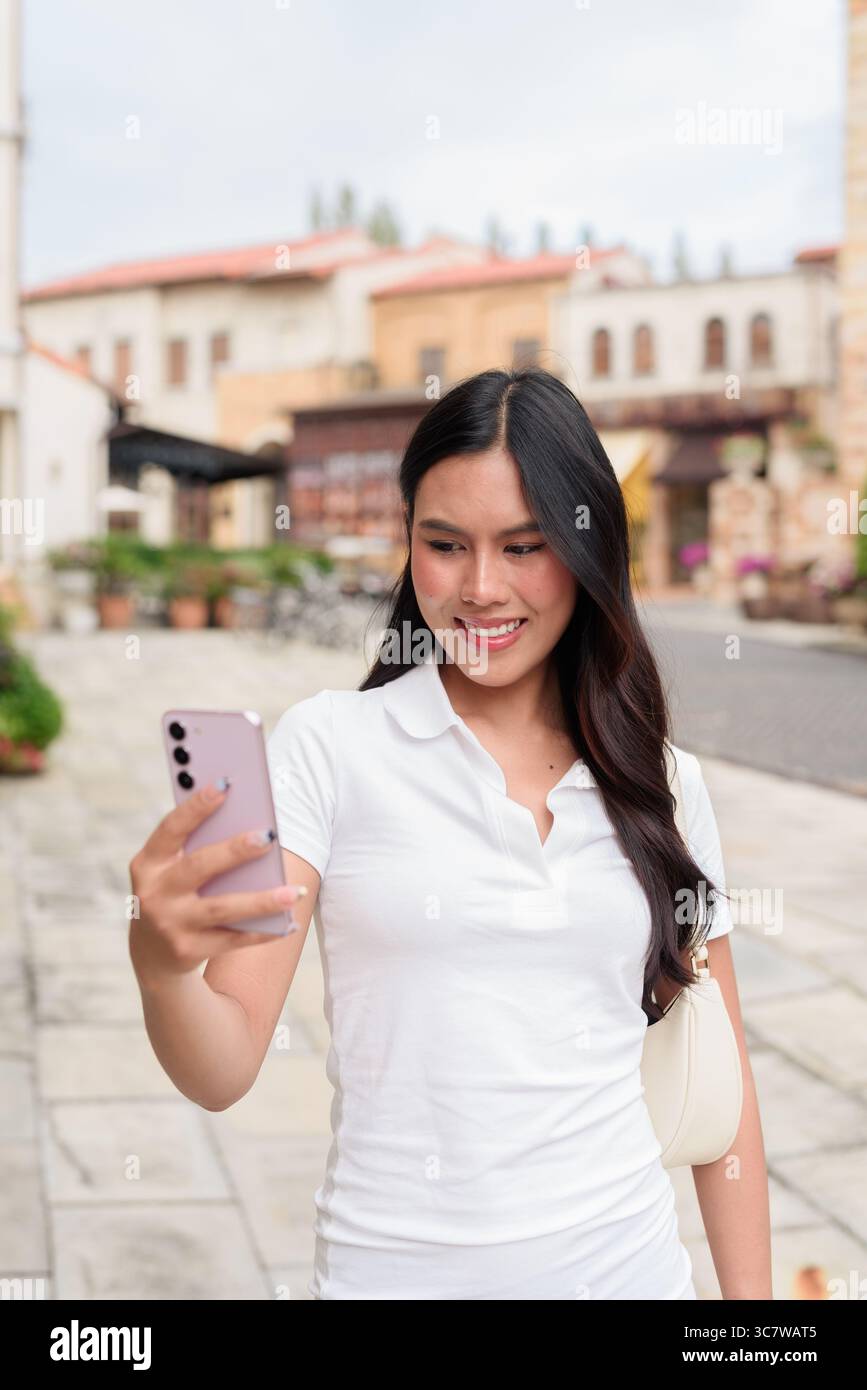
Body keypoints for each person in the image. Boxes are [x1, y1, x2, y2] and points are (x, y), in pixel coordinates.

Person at [129, 366, 772, 1301]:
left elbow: (728, 1098)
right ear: (408, 544)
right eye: (444, 544)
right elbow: (223, 1066)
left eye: (524, 546)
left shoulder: (663, 782)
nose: (480, 588)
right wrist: (160, 965)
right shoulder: (329, 748)